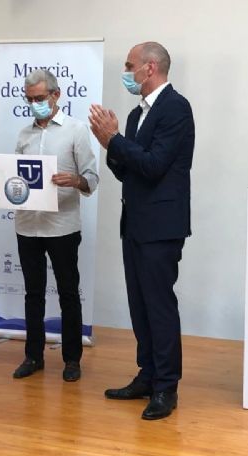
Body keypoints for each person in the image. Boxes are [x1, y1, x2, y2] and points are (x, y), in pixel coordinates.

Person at [89, 42, 195, 420]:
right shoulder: (136, 115)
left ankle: (166, 387)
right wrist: (111, 144)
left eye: (129, 65)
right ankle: (147, 375)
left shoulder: (175, 108)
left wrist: (115, 140)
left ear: (150, 68)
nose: (126, 72)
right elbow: (125, 171)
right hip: (134, 222)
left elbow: (153, 166)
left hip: (161, 226)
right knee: (139, 304)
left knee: (159, 306)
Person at [0, 69, 98, 382]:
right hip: (27, 225)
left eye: (40, 98)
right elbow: (16, 179)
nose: (35, 104)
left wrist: (75, 180)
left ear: (56, 95)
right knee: (33, 294)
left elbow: (92, 178)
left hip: (62, 226)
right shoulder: (24, 134)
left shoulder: (76, 130)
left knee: (68, 293)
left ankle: (72, 360)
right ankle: (33, 356)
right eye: (30, 99)